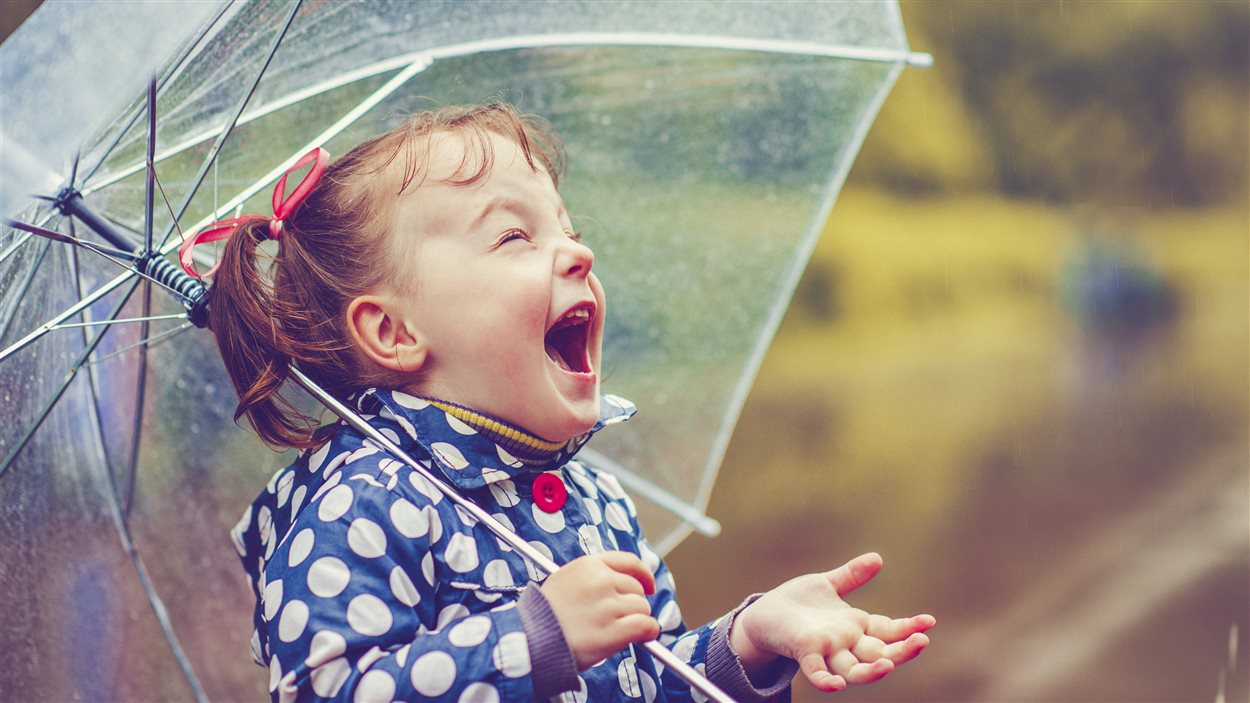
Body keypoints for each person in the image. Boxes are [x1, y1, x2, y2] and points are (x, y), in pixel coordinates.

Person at [200, 103, 934, 703]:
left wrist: (747, 641)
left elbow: (652, 679)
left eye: (568, 229)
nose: (576, 253)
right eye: (514, 235)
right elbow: (328, 691)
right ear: (392, 330)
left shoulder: (596, 502)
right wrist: (536, 636)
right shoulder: (358, 506)